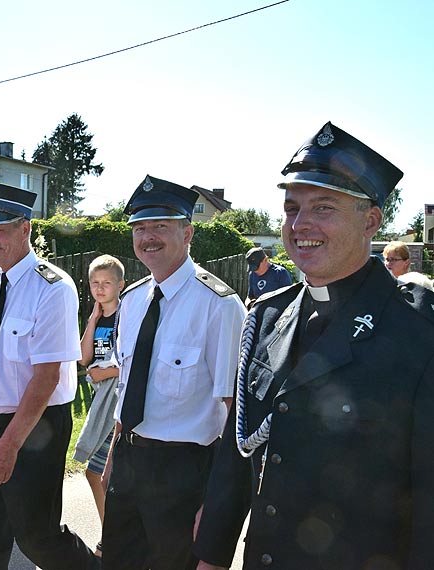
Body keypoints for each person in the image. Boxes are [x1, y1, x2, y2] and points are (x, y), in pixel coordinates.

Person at [193, 121, 434, 569]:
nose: (300, 225)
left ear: (371, 220)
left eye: (323, 207)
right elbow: (238, 449)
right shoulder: (267, 317)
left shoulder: (419, 331)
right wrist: (211, 555)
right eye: (291, 209)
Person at [0, 182, 100, 570]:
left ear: (25, 229)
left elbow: (46, 377)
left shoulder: (53, 289)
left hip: (36, 430)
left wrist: (9, 445)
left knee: (38, 537)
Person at [101, 174, 246, 570]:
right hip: (129, 462)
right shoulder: (131, 301)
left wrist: (217, 505)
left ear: (188, 233)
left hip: (185, 472)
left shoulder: (220, 306)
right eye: (140, 227)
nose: (148, 237)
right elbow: (128, 387)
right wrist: (115, 454)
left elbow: (236, 415)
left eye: (161, 226)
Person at [74, 254, 125, 557]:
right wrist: (92, 320)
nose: (100, 288)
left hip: (116, 403)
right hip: (100, 402)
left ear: (121, 284)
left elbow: (131, 361)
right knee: (97, 475)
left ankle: (114, 539)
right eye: (95, 283)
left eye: (107, 283)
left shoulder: (127, 315)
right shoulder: (97, 317)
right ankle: (113, 535)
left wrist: (106, 372)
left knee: (101, 474)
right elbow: (83, 357)